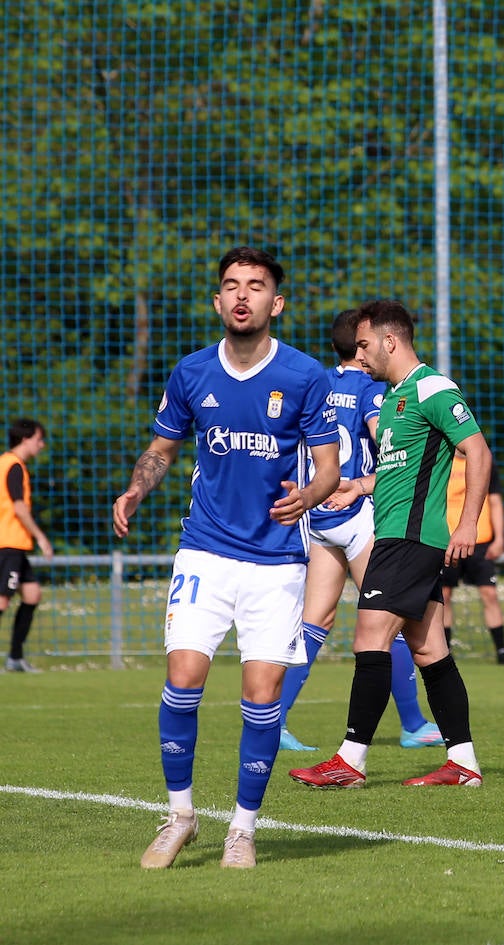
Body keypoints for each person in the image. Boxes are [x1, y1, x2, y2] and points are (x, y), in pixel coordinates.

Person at [112, 246, 341, 870]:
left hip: (276, 562)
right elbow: (162, 448)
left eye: (257, 286)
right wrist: (137, 486)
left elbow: (328, 471)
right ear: (218, 301)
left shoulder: (304, 376)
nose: (243, 295)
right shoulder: (191, 373)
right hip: (205, 554)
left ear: (277, 302)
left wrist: (309, 498)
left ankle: (242, 828)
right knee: (182, 679)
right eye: (232, 286)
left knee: (261, 694)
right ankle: (180, 816)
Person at [289, 298, 492, 789]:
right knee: (429, 652)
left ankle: (350, 760)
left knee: (370, 639)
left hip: (409, 539)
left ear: (390, 341)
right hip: (400, 537)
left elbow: (478, 451)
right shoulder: (398, 398)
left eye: (364, 345)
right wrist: (359, 486)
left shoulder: (432, 388)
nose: (359, 356)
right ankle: (463, 762)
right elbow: (401, 469)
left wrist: (467, 525)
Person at [277, 309, 445, 752]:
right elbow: (386, 439)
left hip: (318, 517)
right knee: (395, 618)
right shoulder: (372, 389)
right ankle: (411, 722)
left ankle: (274, 719)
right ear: (361, 344)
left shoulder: (316, 384)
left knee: (315, 621)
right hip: (355, 512)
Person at [439, 451, 504, 664]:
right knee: (443, 596)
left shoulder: (483, 462)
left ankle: (502, 652)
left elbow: (496, 501)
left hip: (480, 540)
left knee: (489, 594)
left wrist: (499, 539)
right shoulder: (442, 460)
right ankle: (445, 652)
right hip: (448, 540)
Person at [2, 419, 54, 673]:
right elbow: (19, 507)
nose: (41, 445)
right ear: (25, 438)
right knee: (2, 601)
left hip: (16, 544)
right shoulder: (13, 466)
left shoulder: (7, 463)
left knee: (32, 594)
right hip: (7, 543)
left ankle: (15, 657)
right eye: (39, 439)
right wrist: (41, 537)